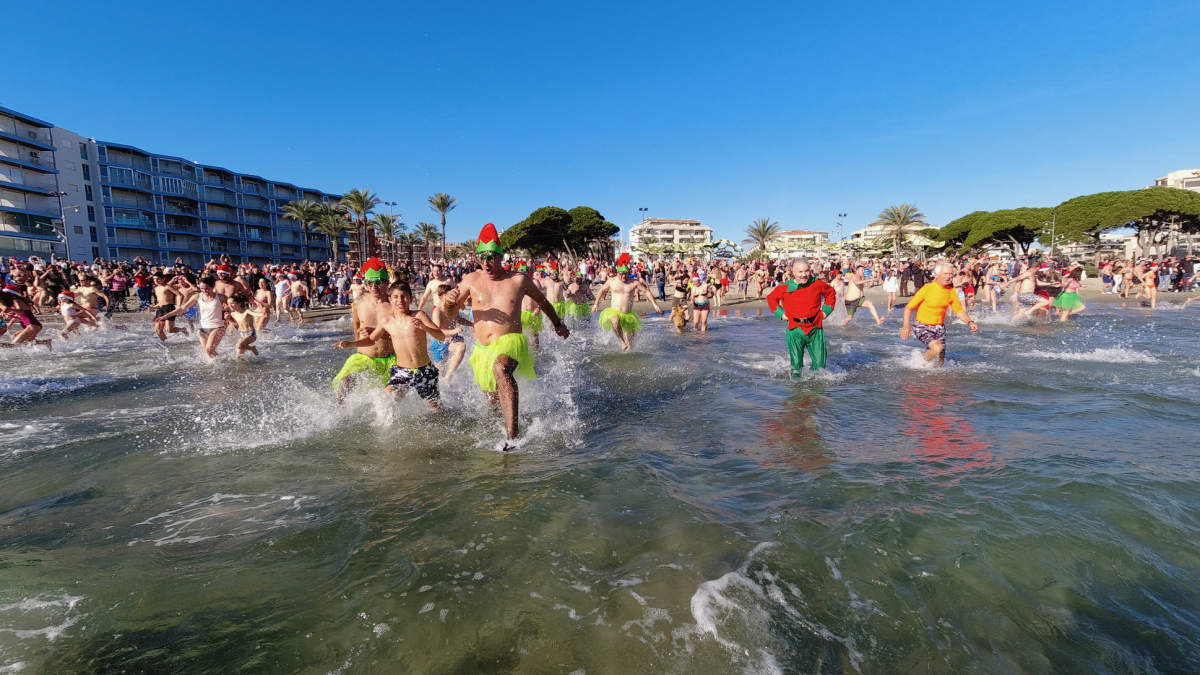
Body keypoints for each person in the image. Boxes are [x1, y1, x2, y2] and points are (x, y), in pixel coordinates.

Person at [441, 224, 569, 442]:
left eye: (491, 257)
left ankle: (513, 437)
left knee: (500, 368)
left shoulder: (518, 280)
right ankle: (500, 428)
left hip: (511, 342)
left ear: (500, 257)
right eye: (482, 258)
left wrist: (557, 323)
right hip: (482, 349)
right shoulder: (471, 280)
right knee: (492, 403)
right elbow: (451, 312)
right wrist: (449, 303)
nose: (486, 263)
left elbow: (543, 301)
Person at [334, 282, 445, 409]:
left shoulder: (419, 315)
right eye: (396, 297)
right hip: (402, 371)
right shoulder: (386, 321)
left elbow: (441, 336)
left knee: (436, 410)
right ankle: (384, 426)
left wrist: (424, 327)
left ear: (411, 298)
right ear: (390, 299)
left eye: (404, 296)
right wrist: (351, 344)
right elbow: (371, 340)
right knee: (384, 402)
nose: (400, 300)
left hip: (425, 370)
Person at [331, 258, 397, 400]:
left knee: (390, 396)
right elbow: (356, 322)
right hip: (364, 356)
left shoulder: (394, 304)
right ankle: (338, 413)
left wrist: (378, 333)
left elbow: (403, 332)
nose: (374, 287)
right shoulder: (359, 302)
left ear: (386, 283)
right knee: (345, 381)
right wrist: (357, 341)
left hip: (390, 358)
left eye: (378, 282)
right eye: (369, 283)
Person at [900, 262, 980, 367]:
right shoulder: (927, 289)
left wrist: (970, 322)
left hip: (940, 328)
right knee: (937, 348)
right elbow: (908, 307)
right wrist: (906, 326)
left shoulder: (951, 291)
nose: (948, 276)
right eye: (945, 273)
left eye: (951, 274)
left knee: (941, 360)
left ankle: (931, 376)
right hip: (922, 326)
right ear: (936, 275)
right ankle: (921, 367)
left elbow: (959, 310)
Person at [766, 260, 836, 372]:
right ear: (793, 271)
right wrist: (781, 314)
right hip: (794, 328)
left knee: (820, 366)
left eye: (807, 271)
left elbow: (831, 293)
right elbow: (771, 299)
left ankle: (817, 389)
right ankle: (796, 388)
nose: (804, 274)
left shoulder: (817, 283)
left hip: (815, 327)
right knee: (796, 366)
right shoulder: (785, 286)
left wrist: (826, 311)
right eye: (800, 271)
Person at [592, 253, 663, 350]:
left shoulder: (634, 282)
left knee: (631, 345)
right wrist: (596, 304)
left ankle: (629, 352)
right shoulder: (612, 281)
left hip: (628, 314)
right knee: (615, 321)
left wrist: (655, 304)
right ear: (618, 273)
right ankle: (621, 342)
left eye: (626, 274)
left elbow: (646, 291)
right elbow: (601, 290)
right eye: (622, 274)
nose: (624, 276)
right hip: (614, 311)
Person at [156, 276, 228, 358]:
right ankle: (223, 363)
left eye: (207, 288)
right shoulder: (198, 296)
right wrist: (165, 316)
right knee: (209, 354)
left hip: (217, 327)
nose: (204, 291)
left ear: (212, 287)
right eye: (201, 288)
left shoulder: (221, 297)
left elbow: (232, 309)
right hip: (203, 328)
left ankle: (224, 363)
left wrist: (228, 314)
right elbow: (182, 308)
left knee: (209, 350)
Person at [429, 284, 470, 382]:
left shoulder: (453, 308)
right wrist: (453, 331)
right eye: (448, 295)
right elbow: (436, 330)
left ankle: (449, 376)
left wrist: (471, 324)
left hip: (453, 340)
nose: (452, 297)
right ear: (441, 297)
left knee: (461, 347)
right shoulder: (437, 311)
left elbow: (459, 319)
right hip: (441, 342)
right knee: (439, 373)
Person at [151, 273, 188, 341]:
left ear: (163, 279)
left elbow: (179, 295)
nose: (156, 280)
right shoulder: (156, 288)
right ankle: (166, 344)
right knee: (158, 330)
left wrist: (179, 307)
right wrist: (153, 307)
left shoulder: (167, 286)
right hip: (160, 309)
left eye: (158, 279)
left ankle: (183, 329)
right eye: (154, 279)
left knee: (169, 330)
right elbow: (160, 302)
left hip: (169, 308)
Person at [227, 293, 265, 358]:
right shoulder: (233, 314)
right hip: (242, 334)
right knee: (238, 357)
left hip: (251, 334)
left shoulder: (246, 311)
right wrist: (229, 319)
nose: (230, 305)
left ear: (239, 303)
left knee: (239, 345)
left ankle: (252, 348)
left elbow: (255, 314)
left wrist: (263, 314)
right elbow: (236, 325)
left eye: (232, 303)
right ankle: (259, 358)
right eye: (228, 304)